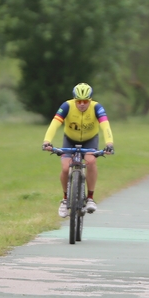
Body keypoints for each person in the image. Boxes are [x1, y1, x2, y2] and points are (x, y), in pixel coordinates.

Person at [42, 83, 114, 218]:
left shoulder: (97, 107)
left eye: (85, 101)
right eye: (78, 101)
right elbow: (55, 123)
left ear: (90, 100)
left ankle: (90, 198)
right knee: (65, 168)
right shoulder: (66, 106)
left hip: (90, 139)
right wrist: (47, 141)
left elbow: (105, 126)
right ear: (74, 100)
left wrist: (109, 143)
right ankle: (64, 200)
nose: (82, 104)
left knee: (91, 161)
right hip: (70, 139)